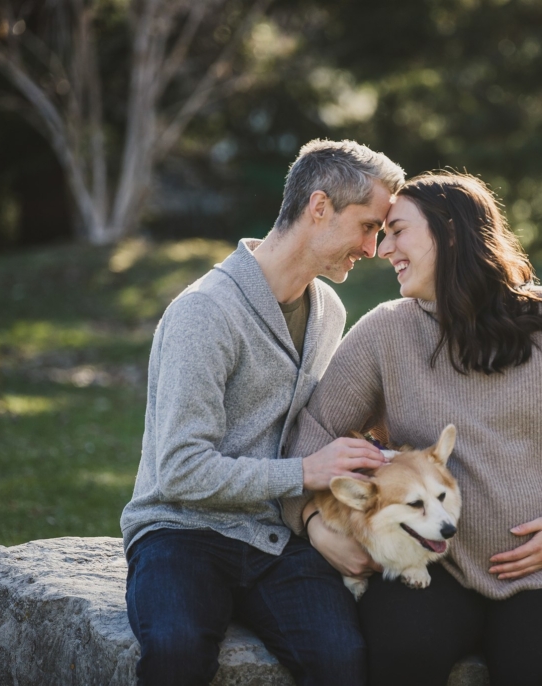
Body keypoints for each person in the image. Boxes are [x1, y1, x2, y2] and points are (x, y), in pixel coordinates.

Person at [283, 172, 542, 686]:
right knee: (399, 660)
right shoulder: (386, 330)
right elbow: (311, 437)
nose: (384, 249)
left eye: (398, 230)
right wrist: (314, 522)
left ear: (449, 233)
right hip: (428, 570)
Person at [120, 139, 405, 686]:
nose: (373, 248)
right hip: (181, 532)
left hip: (275, 539)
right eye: (369, 226)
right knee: (176, 653)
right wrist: (304, 473)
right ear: (319, 208)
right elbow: (180, 470)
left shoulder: (328, 311)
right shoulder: (204, 312)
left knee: (343, 661)